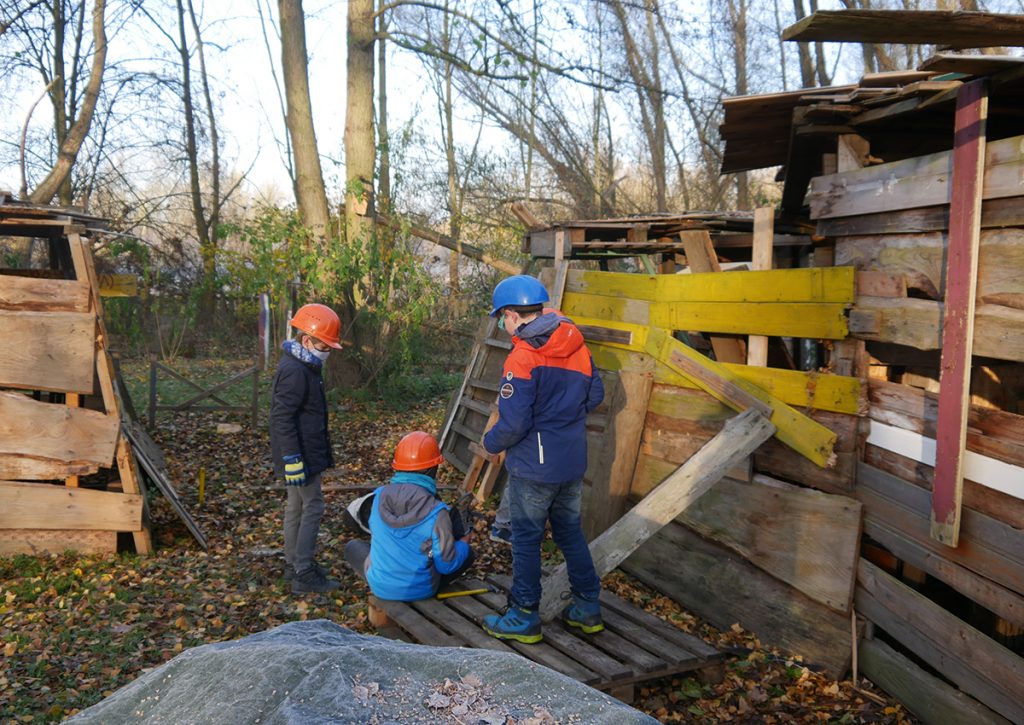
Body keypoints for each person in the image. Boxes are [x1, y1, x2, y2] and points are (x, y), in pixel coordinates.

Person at [481, 275, 605, 644]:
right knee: (569, 533)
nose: (503, 325)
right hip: (571, 461)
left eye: (502, 318)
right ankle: (587, 607)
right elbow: (594, 395)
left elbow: (514, 422)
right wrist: (561, 418)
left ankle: (522, 615)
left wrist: (491, 441)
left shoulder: (523, 356)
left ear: (513, 315)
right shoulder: (577, 345)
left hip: (535, 467)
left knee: (526, 538)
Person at [344, 431, 475, 601]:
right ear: (433, 469)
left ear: (397, 466)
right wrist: (464, 543)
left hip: (380, 586)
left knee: (353, 546)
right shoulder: (438, 511)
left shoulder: (377, 498)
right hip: (420, 591)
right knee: (467, 554)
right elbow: (446, 566)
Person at [270, 303, 344, 594]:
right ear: (306, 340)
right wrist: (292, 458)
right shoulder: (296, 371)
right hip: (300, 454)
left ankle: (293, 562)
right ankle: (303, 570)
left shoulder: (305, 366)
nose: (327, 351)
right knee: (313, 506)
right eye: (323, 345)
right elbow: (280, 416)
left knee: (297, 505)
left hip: (305, 451)